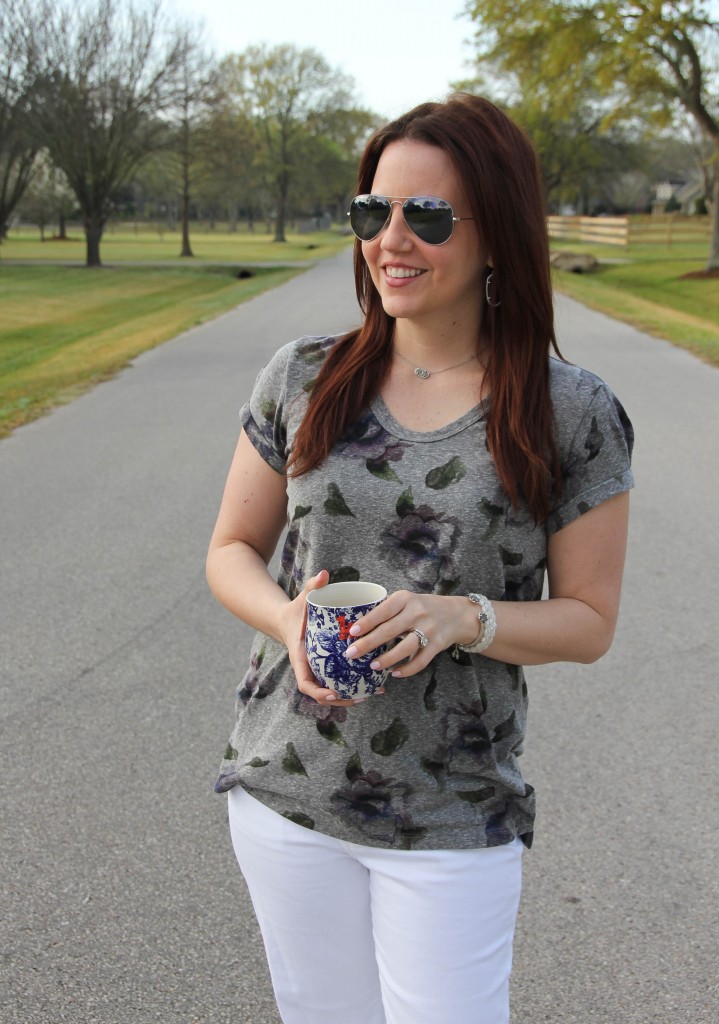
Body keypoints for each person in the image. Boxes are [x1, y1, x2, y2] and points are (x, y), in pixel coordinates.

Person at [206, 93, 634, 1024]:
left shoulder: (571, 411)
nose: (390, 239)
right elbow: (232, 549)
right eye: (372, 211)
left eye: (426, 216)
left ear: (497, 236)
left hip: (453, 808)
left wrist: (465, 617)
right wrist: (285, 618)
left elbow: (590, 621)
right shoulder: (303, 375)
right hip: (288, 789)